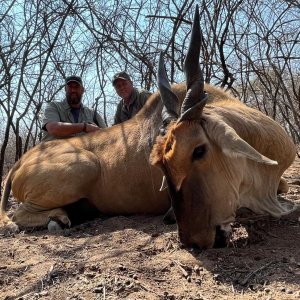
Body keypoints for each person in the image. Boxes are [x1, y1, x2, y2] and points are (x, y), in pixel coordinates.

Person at [42, 75, 106, 141]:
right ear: (65, 89)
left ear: (82, 90)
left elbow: (107, 134)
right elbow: (52, 128)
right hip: (53, 149)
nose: (73, 90)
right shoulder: (53, 106)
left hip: (83, 150)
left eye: (76, 87)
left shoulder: (93, 114)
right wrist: (84, 127)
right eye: (70, 87)